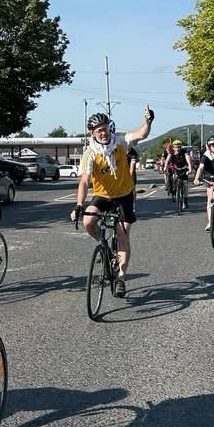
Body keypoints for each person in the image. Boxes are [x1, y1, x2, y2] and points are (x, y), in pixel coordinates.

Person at [71, 106, 154, 298]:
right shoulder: (90, 153)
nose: (103, 132)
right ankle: (104, 246)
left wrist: (148, 121)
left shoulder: (120, 142)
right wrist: (78, 205)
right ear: (92, 133)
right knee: (88, 221)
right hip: (103, 195)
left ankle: (121, 278)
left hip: (124, 195)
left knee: (122, 234)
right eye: (99, 129)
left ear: (110, 128)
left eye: (105, 128)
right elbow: (84, 181)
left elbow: (141, 134)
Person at [163, 140, 192, 209]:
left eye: (179, 147)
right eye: (176, 147)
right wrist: (165, 167)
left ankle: (185, 200)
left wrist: (190, 168)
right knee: (173, 177)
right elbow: (167, 160)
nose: (177, 149)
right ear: (173, 147)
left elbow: (188, 159)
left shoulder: (184, 151)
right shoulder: (171, 153)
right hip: (176, 169)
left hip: (184, 169)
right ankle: (174, 189)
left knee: (185, 184)